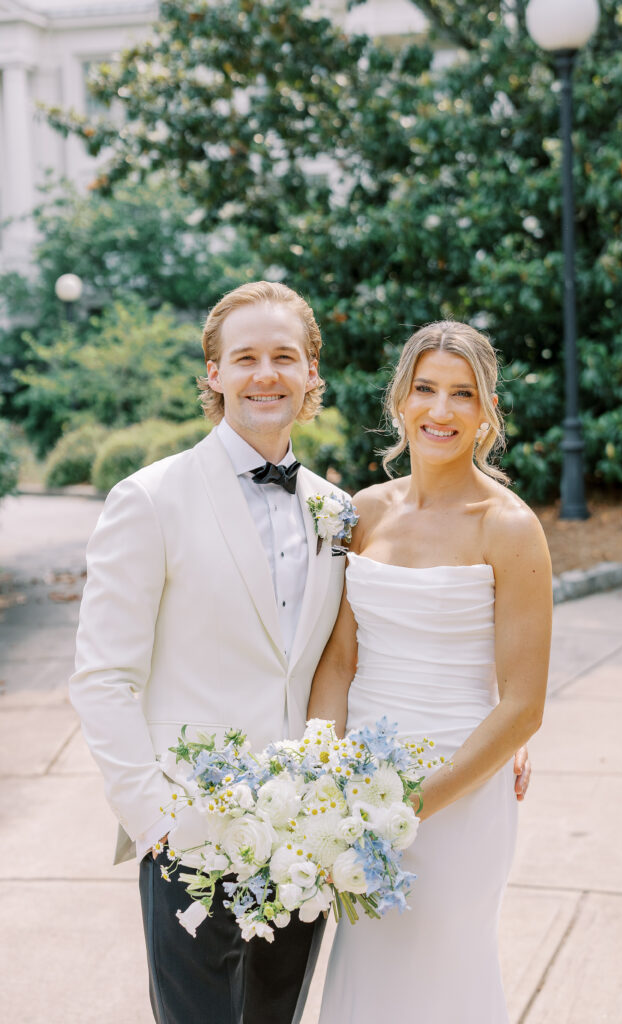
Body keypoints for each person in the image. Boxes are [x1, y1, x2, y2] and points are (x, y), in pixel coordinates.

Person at [70, 287, 531, 1024]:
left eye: (284, 356)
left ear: (311, 372)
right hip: (190, 828)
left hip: (308, 837)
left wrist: (493, 722)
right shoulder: (149, 499)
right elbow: (102, 679)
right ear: (214, 373)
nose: (266, 374)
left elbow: (365, 648)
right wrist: (157, 822)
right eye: (245, 357)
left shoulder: (336, 510)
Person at [309, 320, 553, 1023]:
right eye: (425, 389)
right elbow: (339, 660)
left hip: (459, 788)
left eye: (462, 394)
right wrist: (322, 779)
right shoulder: (362, 513)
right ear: (399, 400)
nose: (440, 410)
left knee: (444, 973)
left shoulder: (507, 527)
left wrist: (409, 805)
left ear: (486, 414)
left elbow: (523, 706)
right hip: (357, 786)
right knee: (368, 975)